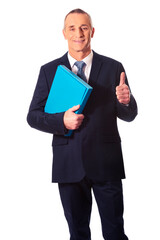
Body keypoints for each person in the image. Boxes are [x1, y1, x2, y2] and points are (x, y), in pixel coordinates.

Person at [27, 8, 137, 240]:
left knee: (115, 232)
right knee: (77, 234)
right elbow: (33, 116)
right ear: (64, 33)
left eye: (84, 27)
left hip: (107, 164)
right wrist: (61, 120)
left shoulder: (113, 67)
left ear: (92, 32)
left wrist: (126, 101)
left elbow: (129, 115)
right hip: (69, 164)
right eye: (72, 28)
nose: (79, 33)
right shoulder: (49, 71)